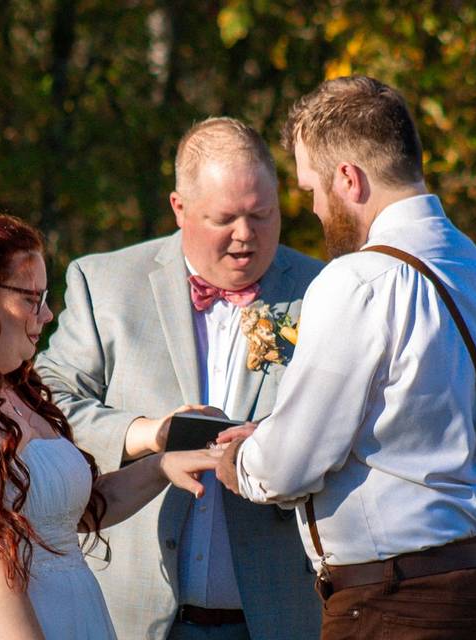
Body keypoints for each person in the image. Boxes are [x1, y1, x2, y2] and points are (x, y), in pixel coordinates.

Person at [214, 76, 476, 639]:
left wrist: (240, 460)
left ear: (348, 178)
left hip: (399, 606)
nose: (313, 207)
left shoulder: (360, 280)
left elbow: (290, 465)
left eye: (312, 186)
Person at [0, 205, 218, 639]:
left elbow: (73, 515)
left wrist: (160, 467)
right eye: (32, 299)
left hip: (74, 617)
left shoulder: (16, 392)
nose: (46, 316)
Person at [35, 117, 323, 639]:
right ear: (179, 208)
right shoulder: (106, 285)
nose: (246, 235)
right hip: (132, 612)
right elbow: (47, 401)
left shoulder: (323, 291)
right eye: (225, 218)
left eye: (262, 215)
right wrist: (147, 433)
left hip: (278, 613)